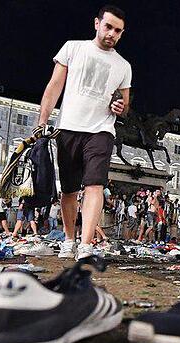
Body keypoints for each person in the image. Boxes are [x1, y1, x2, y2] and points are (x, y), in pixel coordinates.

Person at [38, 5, 132, 260]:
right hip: (68, 127)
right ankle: (69, 239)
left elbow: (124, 106)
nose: (112, 33)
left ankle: (87, 244)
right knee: (68, 189)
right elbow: (54, 85)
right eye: (108, 26)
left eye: (118, 31)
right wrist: (43, 120)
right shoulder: (73, 48)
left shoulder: (123, 66)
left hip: (101, 130)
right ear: (97, 24)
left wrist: (120, 107)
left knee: (94, 185)